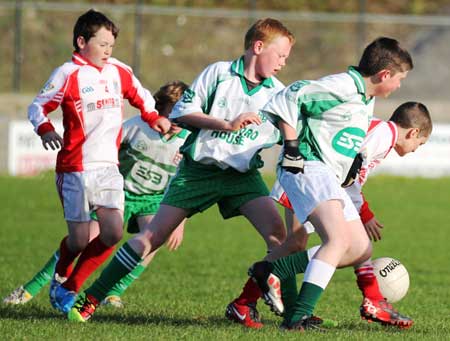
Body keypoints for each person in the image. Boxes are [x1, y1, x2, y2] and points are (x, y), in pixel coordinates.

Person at [67, 17, 295, 323]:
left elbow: (292, 131)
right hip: (198, 171)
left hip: (242, 178)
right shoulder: (219, 73)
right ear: (258, 47)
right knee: (152, 236)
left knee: (282, 240)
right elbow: (182, 112)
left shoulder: (278, 93)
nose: (283, 63)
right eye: (280, 55)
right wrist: (226, 124)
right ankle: (91, 298)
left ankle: (270, 309)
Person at [247, 36, 413, 331]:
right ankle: (298, 316)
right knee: (336, 242)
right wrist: (292, 144)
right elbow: (290, 95)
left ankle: (272, 270)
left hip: (327, 176)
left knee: (360, 248)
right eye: (400, 79)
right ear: (384, 74)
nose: (400, 86)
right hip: (307, 166)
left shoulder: (366, 98)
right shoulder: (343, 87)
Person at [26, 9, 170, 314]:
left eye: (111, 46)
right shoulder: (67, 74)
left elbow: (141, 96)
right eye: (102, 44)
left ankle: (71, 287)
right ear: (81, 41)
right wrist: (46, 129)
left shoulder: (118, 70)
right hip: (76, 169)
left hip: (108, 168)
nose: (108, 51)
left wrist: (154, 117)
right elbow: (37, 107)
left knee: (113, 232)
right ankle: (61, 273)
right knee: (78, 241)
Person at [4, 81, 189, 308]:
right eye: (174, 114)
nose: (179, 121)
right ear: (160, 108)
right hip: (119, 194)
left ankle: (113, 292)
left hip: (153, 200)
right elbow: (105, 150)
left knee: (154, 241)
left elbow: (189, 181)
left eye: (184, 115)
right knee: (82, 240)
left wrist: (180, 220)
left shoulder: (189, 140)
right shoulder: (137, 126)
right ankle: (31, 287)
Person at [269, 101, 432, 329]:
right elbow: (348, 171)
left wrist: (362, 212)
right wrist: (364, 212)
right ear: (413, 132)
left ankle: (280, 307)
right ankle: (262, 290)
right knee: (328, 244)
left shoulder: (382, 136)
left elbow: (350, 176)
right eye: (420, 143)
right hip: (310, 181)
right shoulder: (382, 134)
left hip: (319, 183)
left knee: (341, 243)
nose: (416, 148)